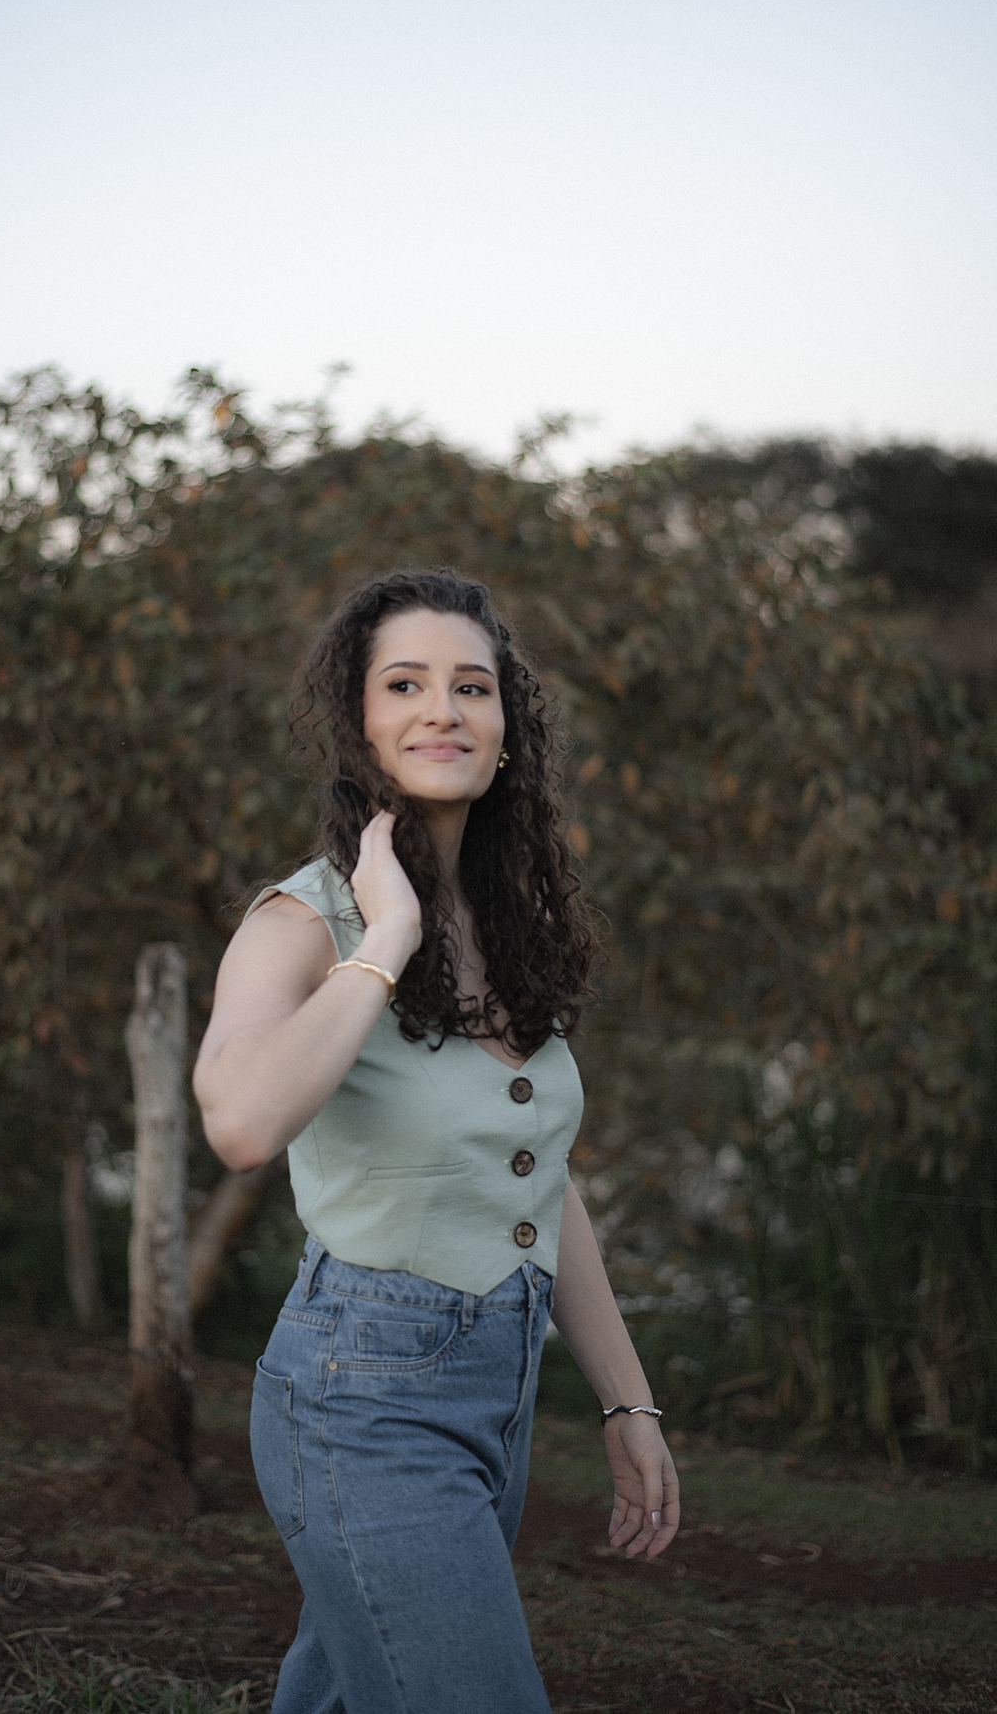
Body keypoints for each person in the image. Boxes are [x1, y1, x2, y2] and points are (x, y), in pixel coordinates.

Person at [193, 568, 678, 1714]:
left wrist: (628, 1400)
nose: (442, 710)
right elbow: (242, 1125)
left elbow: (536, 1179)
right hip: (361, 1398)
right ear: (358, 724)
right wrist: (386, 938)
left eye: (472, 686)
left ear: (508, 730)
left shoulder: (512, 929)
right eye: (404, 684)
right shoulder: (303, 922)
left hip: (495, 1398)